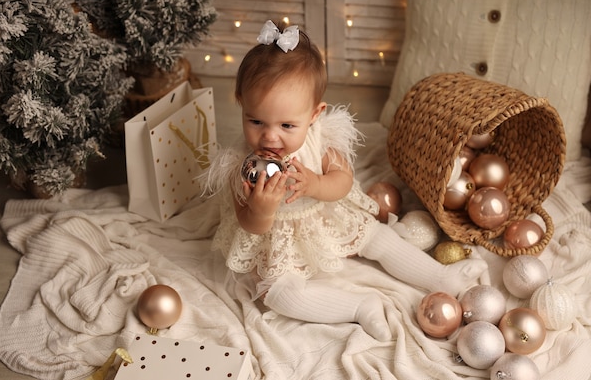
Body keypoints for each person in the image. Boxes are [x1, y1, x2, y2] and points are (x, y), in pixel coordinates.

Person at [201, 20, 487, 341]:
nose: (269, 136)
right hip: (279, 241)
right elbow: (248, 225)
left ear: (314, 115)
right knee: (278, 296)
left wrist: (313, 184)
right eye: (255, 121)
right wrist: (261, 209)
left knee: (380, 240)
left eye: (286, 125)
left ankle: (440, 277)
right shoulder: (243, 165)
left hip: (328, 218)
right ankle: (359, 307)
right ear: (240, 104)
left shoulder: (320, 139)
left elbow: (343, 182)